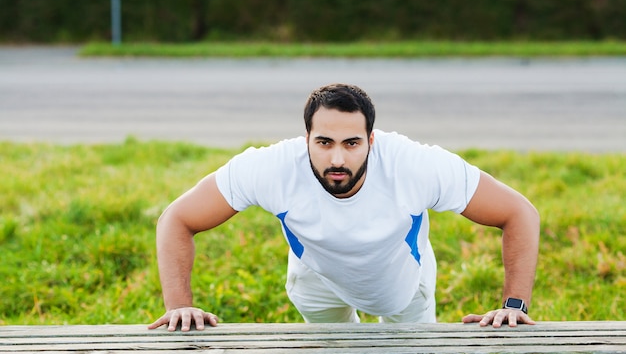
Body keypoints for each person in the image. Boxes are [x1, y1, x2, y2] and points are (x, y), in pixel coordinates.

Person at [148, 83, 539, 332]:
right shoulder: (272, 166)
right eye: (324, 143)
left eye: (351, 143)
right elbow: (176, 219)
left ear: (372, 139)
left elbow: (519, 212)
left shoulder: (416, 165)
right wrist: (179, 306)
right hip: (316, 280)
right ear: (306, 139)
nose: (337, 158)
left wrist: (514, 305)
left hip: (400, 283)